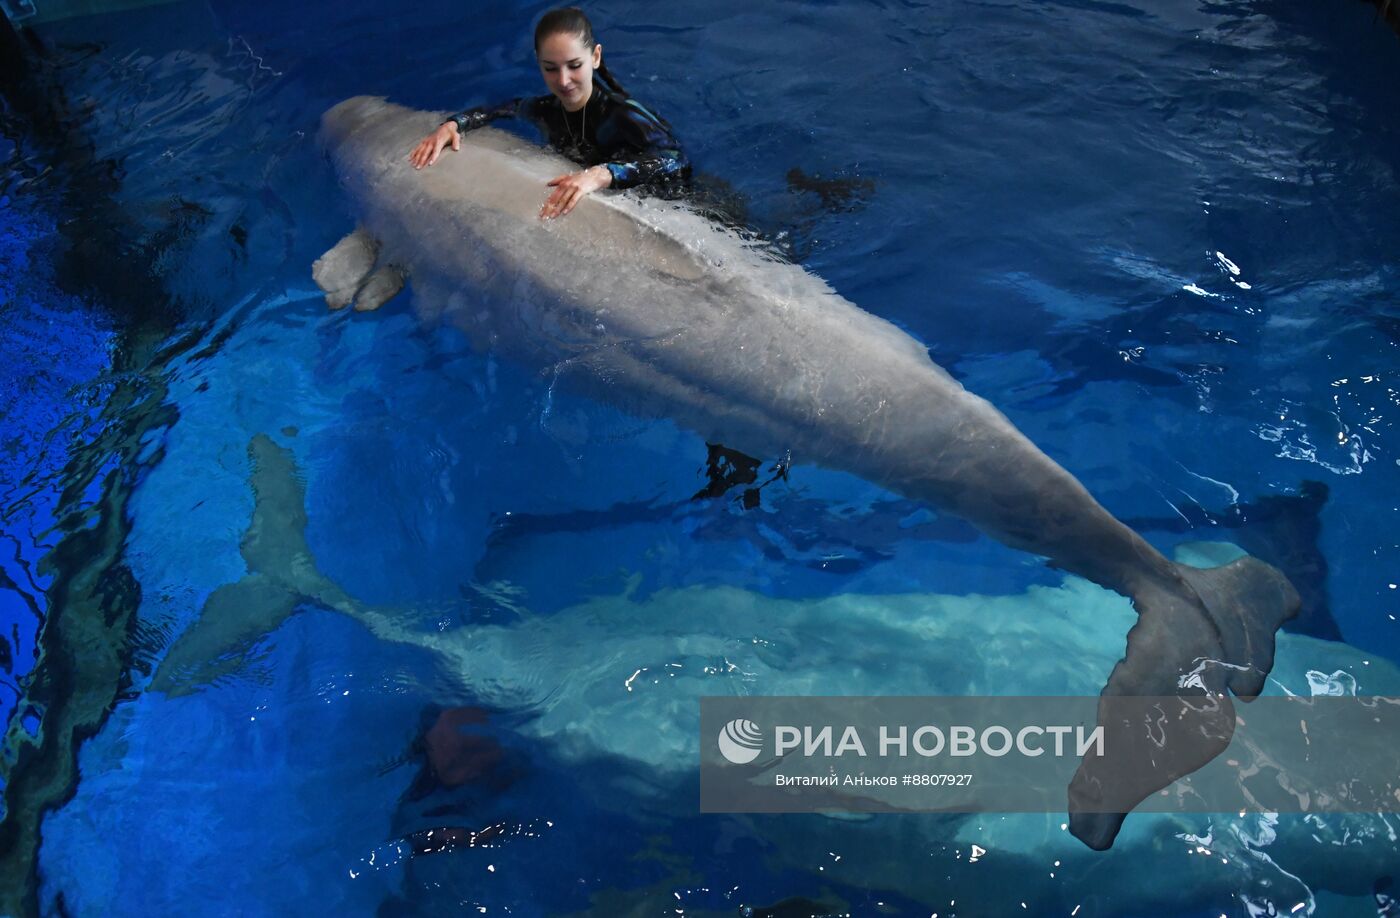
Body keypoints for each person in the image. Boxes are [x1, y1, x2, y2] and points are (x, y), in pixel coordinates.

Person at [408, 7, 689, 220]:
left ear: (595, 57)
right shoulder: (546, 110)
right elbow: (498, 110)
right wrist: (453, 124)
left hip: (676, 203)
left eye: (574, 65)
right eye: (551, 68)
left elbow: (676, 160)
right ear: (538, 64)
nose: (564, 81)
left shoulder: (623, 114)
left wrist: (604, 174)